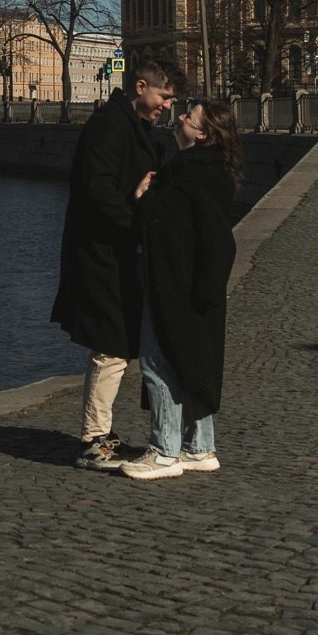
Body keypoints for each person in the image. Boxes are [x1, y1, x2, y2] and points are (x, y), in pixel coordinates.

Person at [50, 57, 181, 470]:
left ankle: (101, 434)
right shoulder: (109, 125)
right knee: (110, 346)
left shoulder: (134, 125)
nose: (167, 106)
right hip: (101, 252)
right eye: (164, 97)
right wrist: (138, 213)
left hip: (117, 251)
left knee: (118, 346)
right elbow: (99, 192)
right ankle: (92, 440)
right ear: (141, 87)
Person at [123, 98, 242, 481]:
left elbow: (163, 226)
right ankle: (200, 446)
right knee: (196, 363)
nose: (179, 119)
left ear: (202, 133)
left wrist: (140, 198)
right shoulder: (215, 171)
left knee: (160, 361)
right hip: (200, 285)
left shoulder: (186, 172)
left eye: (188, 117)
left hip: (175, 282)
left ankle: (164, 450)